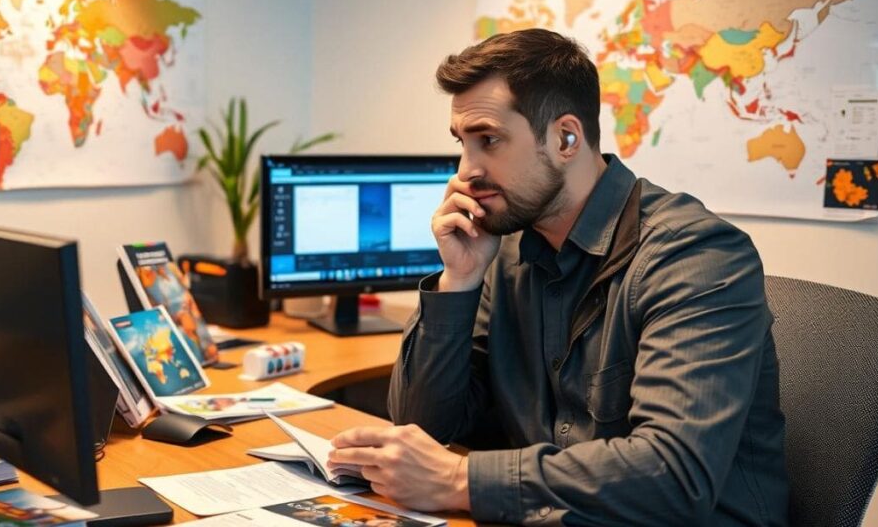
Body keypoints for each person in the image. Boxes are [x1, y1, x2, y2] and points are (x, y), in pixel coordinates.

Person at [327, 28, 788, 526]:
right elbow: (425, 428)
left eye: (489, 141)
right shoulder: (504, 254)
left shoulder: (695, 256)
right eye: (463, 143)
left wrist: (461, 480)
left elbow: (673, 476)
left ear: (566, 138)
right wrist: (457, 280)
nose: (465, 171)